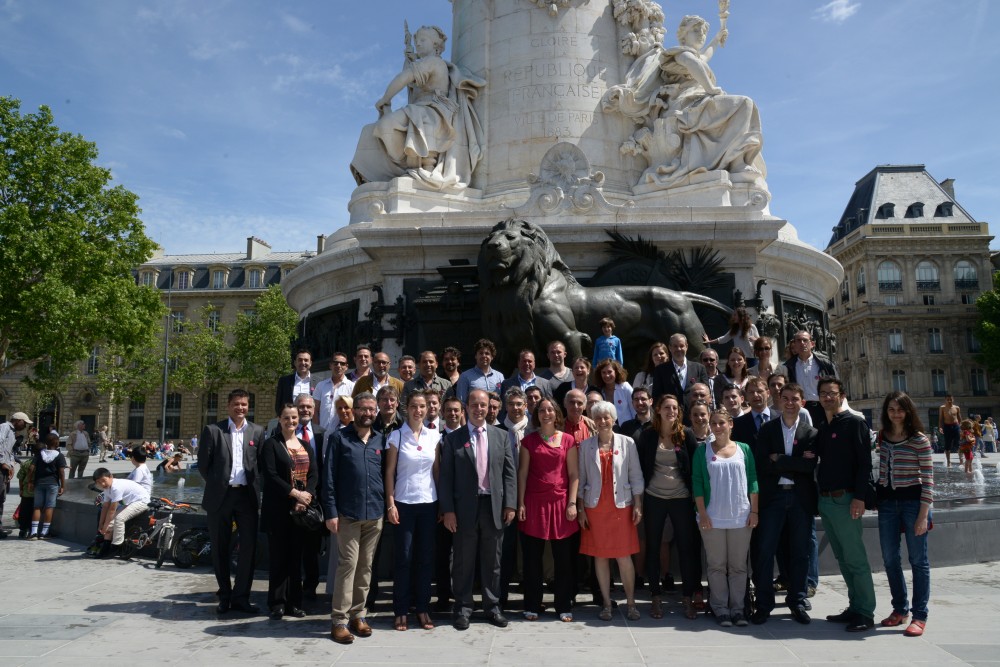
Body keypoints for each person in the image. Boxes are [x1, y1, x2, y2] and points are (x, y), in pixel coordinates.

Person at [353, 24, 485, 191]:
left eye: (423, 40)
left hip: (434, 113)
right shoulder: (423, 63)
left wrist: (385, 99)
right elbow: (411, 85)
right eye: (417, 41)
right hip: (421, 110)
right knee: (370, 131)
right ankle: (404, 168)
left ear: (436, 45)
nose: (419, 44)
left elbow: (404, 78)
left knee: (385, 125)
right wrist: (409, 61)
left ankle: (415, 168)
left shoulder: (433, 62)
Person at [439, 389, 517, 631]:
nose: (479, 409)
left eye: (483, 405)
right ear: (466, 407)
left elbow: (509, 473)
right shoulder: (453, 439)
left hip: (493, 506)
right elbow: (446, 478)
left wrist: (511, 504)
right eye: (474, 404)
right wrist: (448, 510)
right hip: (464, 509)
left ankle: (492, 607)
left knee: (492, 560)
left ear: (490, 408)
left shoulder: (501, 436)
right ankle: (462, 608)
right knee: (463, 560)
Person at [749, 383, 818, 625]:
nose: (790, 402)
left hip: (800, 498)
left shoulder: (811, 433)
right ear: (779, 400)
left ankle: (797, 601)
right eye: (785, 398)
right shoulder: (767, 430)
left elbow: (809, 467)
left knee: (800, 552)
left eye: (795, 398)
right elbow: (762, 465)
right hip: (773, 497)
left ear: (803, 402)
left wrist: (780, 459)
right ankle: (764, 603)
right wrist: (795, 462)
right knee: (765, 551)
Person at [323, 392, 385, 645]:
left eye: (372, 410)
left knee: (366, 566)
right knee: (347, 565)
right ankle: (339, 620)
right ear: (354, 410)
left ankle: (359, 615)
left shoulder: (381, 440)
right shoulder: (339, 439)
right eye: (363, 409)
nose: (368, 413)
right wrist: (331, 512)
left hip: (375, 513)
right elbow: (328, 478)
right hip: (348, 513)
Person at [815, 377, 876, 632]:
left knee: (855, 558)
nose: (828, 397)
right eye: (823, 394)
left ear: (842, 395)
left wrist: (860, 498)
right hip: (827, 500)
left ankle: (865, 612)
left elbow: (865, 464)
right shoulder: (824, 426)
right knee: (842, 557)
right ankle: (855, 606)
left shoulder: (855, 423)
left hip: (847, 499)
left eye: (832, 393)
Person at [197, 389, 266, 614]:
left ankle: (241, 597)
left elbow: (260, 466)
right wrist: (220, 484)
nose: (240, 408)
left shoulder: (257, 431)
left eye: (244, 404)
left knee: (248, 549)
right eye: (236, 404)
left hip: (246, 497)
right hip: (221, 497)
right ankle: (225, 595)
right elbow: (204, 466)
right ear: (228, 406)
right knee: (220, 548)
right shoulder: (213, 430)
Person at [636, 394, 703, 620]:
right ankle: (655, 597)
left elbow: (695, 468)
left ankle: (687, 598)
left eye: (674, 408)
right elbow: (641, 468)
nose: (671, 411)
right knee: (653, 547)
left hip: (681, 498)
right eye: (667, 407)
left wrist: (696, 498)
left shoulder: (687, 435)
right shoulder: (647, 436)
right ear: (658, 410)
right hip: (654, 497)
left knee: (686, 548)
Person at [578, 401, 644, 621]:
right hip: (595, 508)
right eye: (598, 418)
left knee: (624, 557)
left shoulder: (628, 443)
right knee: (600, 557)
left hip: (621, 507)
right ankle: (606, 603)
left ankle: (632, 603)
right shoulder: (586, 446)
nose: (603, 421)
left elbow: (635, 475)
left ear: (614, 419)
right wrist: (580, 509)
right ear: (593, 421)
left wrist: (638, 504)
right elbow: (581, 478)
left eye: (607, 417)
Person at [693, 408, 759, 627]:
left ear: (731, 424)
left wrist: (754, 511)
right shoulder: (702, 451)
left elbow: (753, 481)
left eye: (722, 422)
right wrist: (702, 513)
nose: (717, 427)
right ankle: (720, 608)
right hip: (712, 518)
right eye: (714, 423)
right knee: (716, 566)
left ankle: (738, 609)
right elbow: (698, 484)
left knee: (739, 566)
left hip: (741, 516)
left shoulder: (744, 449)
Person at [517, 397, 580, 622]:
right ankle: (532, 605)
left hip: (562, 504)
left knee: (563, 560)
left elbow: (574, 475)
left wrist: (572, 503)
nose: (546, 414)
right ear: (537, 415)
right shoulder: (528, 441)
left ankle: (563, 605)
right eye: (542, 410)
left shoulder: (568, 440)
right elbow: (522, 474)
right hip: (534, 504)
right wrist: (520, 503)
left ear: (557, 414)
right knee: (532, 559)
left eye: (550, 410)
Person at [875, 391, 933, 638]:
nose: (895, 413)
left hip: (912, 504)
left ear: (908, 411)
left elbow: (929, 481)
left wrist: (923, 516)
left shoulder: (919, 440)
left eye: (900, 409)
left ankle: (919, 615)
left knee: (918, 561)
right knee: (889, 559)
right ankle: (900, 608)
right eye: (891, 409)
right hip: (888, 504)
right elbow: (882, 471)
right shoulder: (883, 438)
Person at [384, 390, 440, 631]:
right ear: (406, 408)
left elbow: (437, 471)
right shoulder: (396, 436)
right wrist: (391, 503)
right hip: (404, 504)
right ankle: (400, 610)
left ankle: (423, 608)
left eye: (423, 406)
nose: (419, 410)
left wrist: (442, 505)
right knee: (404, 558)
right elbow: (389, 472)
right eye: (415, 406)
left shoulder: (434, 436)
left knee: (425, 559)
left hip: (429, 503)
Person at [259, 403, 317, 619]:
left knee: (296, 558)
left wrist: (307, 495)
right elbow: (271, 476)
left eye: (294, 418)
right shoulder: (271, 445)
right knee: (278, 558)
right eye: (287, 418)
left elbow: (314, 473)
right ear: (279, 419)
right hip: (279, 509)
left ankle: (295, 603)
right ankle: (277, 603)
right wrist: (295, 494)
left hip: (301, 510)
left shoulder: (305, 445)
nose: (291, 421)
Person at [93, 467, 151, 557]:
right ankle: (105, 547)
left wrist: (104, 527)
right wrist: (101, 524)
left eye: (104, 480)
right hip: (130, 502)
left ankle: (116, 547)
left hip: (141, 501)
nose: (102, 484)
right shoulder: (107, 488)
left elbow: (112, 510)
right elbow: (105, 507)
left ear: (111, 476)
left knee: (119, 519)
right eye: (99, 483)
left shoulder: (116, 487)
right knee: (110, 523)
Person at [784, 330, 838, 425]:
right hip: (799, 409)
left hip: (822, 408)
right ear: (794, 345)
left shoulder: (825, 364)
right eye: (798, 341)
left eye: (805, 340)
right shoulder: (788, 366)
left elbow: (837, 385)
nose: (802, 343)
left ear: (812, 344)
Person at [652, 333, 709, 404]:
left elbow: (706, 394)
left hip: (694, 413)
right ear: (670, 348)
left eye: (681, 346)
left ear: (686, 347)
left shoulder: (699, 368)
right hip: (671, 413)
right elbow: (656, 397)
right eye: (675, 346)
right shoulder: (660, 370)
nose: (678, 349)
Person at [29, 433, 67, 539]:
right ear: (56, 443)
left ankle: (33, 532)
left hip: (39, 482)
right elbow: (61, 472)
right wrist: (62, 485)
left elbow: (31, 468)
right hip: (52, 483)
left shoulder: (40, 454)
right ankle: (44, 533)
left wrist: (30, 481)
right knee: (49, 507)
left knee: (37, 507)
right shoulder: (59, 455)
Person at [0, 411, 32, 536]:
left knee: (1, 498)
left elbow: (10, 451)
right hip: (1, 467)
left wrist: (11, 465)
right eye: (24, 423)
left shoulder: (13, 433)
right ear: (18, 420)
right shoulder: (4, 428)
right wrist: (2, 462)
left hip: (4, 469)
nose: (25, 426)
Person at [313, 351, 356, 432]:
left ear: (346, 367)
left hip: (343, 433)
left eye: (342, 363)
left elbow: (353, 411)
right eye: (335, 363)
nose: (338, 366)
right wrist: (316, 430)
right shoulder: (321, 385)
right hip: (322, 432)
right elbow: (315, 410)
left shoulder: (352, 387)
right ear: (330, 365)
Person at [593, 358, 635, 426]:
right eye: (603, 372)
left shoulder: (625, 387)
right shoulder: (599, 391)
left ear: (616, 372)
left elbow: (634, 410)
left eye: (610, 372)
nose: (607, 375)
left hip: (628, 429)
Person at [275, 348, 313, 416]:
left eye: (306, 360)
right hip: (290, 423)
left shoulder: (318, 382)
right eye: (300, 360)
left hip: (309, 422)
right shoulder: (284, 381)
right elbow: (278, 406)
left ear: (310, 363)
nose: (303, 363)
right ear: (295, 363)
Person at [938, 394, 962, 467]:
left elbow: (959, 418)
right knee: (947, 445)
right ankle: (948, 461)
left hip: (956, 426)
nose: (949, 401)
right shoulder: (942, 408)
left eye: (950, 399)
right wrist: (940, 427)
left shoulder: (956, 407)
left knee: (958, 443)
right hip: (947, 426)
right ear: (945, 400)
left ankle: (961, 461)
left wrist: (961, 427)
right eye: (948, 399)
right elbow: (941, 419)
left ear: (953, 399)